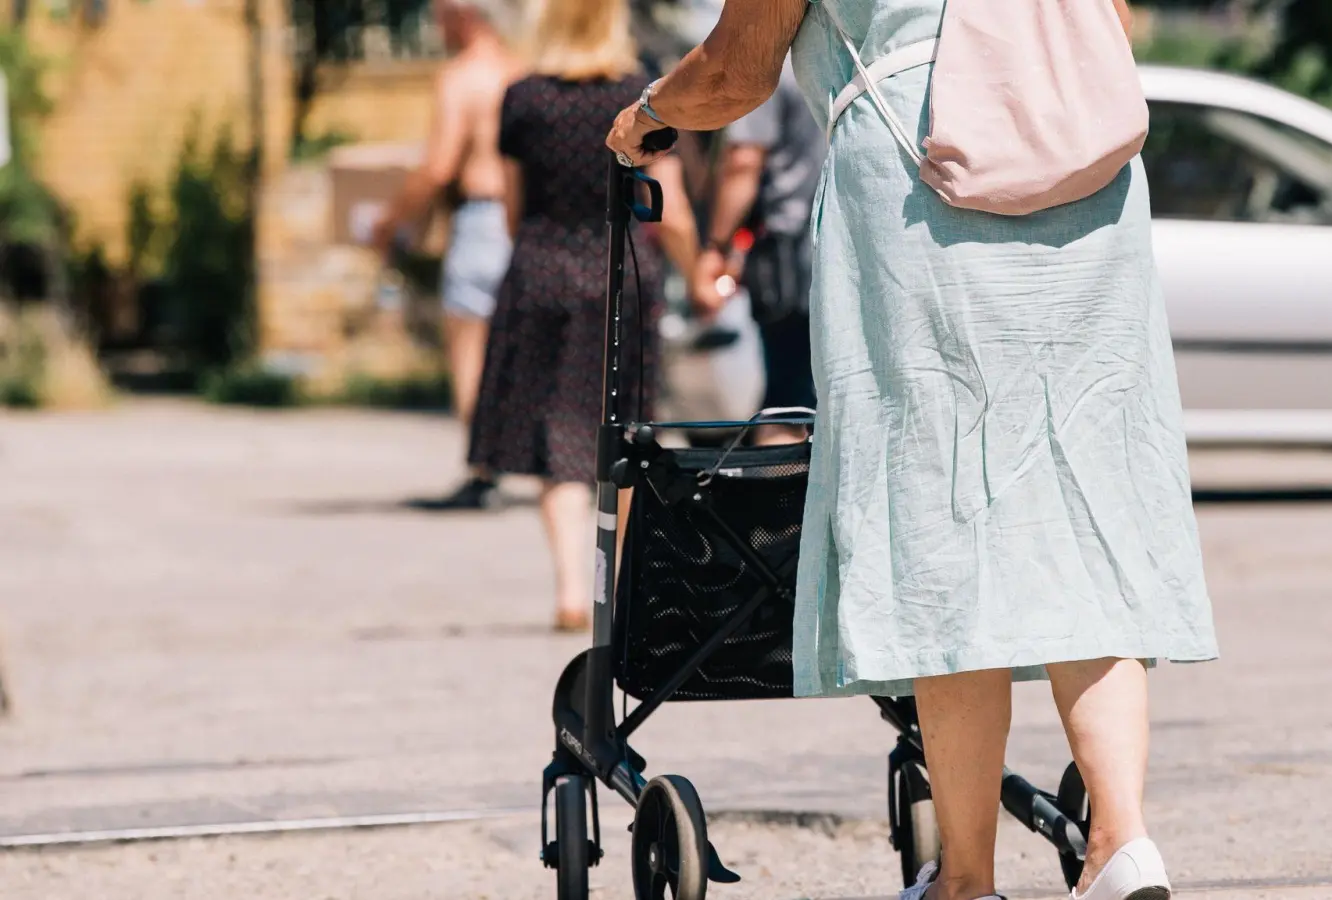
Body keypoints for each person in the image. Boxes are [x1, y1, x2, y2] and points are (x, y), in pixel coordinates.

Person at [608, 1, 1218, 899]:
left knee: (943, 520)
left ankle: (966, 878)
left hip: (923, 173)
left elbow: (739, 70)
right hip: (1081, 165)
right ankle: (1121, 843)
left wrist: (647, 115)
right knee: (1090, 504)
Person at [470, 0, 698, 632]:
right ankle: (619, 588)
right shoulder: (642, 98)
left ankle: (572, 589)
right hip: (619, 276)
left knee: (556, 433)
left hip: (542, 271)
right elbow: (671, 210)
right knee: (621, 429)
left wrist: (541, 253)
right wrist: (699, 269)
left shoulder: (523, 99)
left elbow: (514, 208)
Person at [372, 0, 522, 511]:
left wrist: (391, 221)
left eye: (440, 12)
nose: (434, 23)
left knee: (470, 353)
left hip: (481, 220)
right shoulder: (523, 72)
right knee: (525, 353)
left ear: (466, 14)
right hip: (526, 223)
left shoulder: (462, 78)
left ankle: (483, 473)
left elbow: (438, 166)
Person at [693, 58, 826, 446]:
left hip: (792, 255)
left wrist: (716, 246)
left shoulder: (771, 67)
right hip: (853, 246)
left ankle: (780, 504)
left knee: (786, 403)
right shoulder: (850, 53)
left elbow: (743, 162)